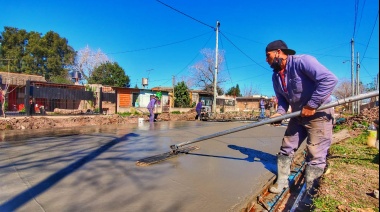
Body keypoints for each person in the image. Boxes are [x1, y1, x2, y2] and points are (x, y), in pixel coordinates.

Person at [265, 40, 338, 207]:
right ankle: (282, 181)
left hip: (319, 113)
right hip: (298, 115)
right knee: (286, 147)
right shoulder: (276, 76)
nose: (266, 60)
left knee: (316, 154)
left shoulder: (302, 62)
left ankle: (310, 193)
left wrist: (312, 104)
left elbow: (329, 79)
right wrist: (279, 114)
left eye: (268, 56)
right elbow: (283, 100)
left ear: (278, 52)